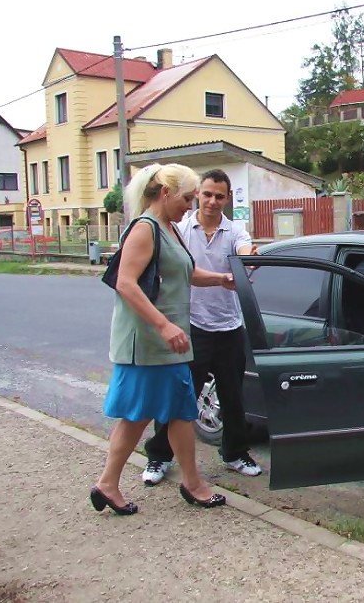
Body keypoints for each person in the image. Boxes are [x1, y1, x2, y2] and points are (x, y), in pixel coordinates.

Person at [90, 163, 234, 515]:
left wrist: (221, 279)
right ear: (166, 193)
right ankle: (121, 484)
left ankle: (180, 482)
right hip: (148, 343)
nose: (191, 205)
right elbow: (126, 283)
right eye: (187, 198)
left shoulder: (169, 228)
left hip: (168, 344)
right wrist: (164, 326)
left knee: (173, 412)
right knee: (149, 414)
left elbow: (186, 272)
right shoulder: (146, 228)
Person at [142, 168, 262, 486]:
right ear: (198, 194)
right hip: (191, 325)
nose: (212, 201)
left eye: (219, 196)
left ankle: (235, 453)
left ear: (227, 198)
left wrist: (248, 259)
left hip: (229, 326)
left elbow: (245, 252)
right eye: (207, 194)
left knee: (233, 398)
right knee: (179, 395)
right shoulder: (180, 228)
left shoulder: (235, 231)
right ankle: (159, 456)